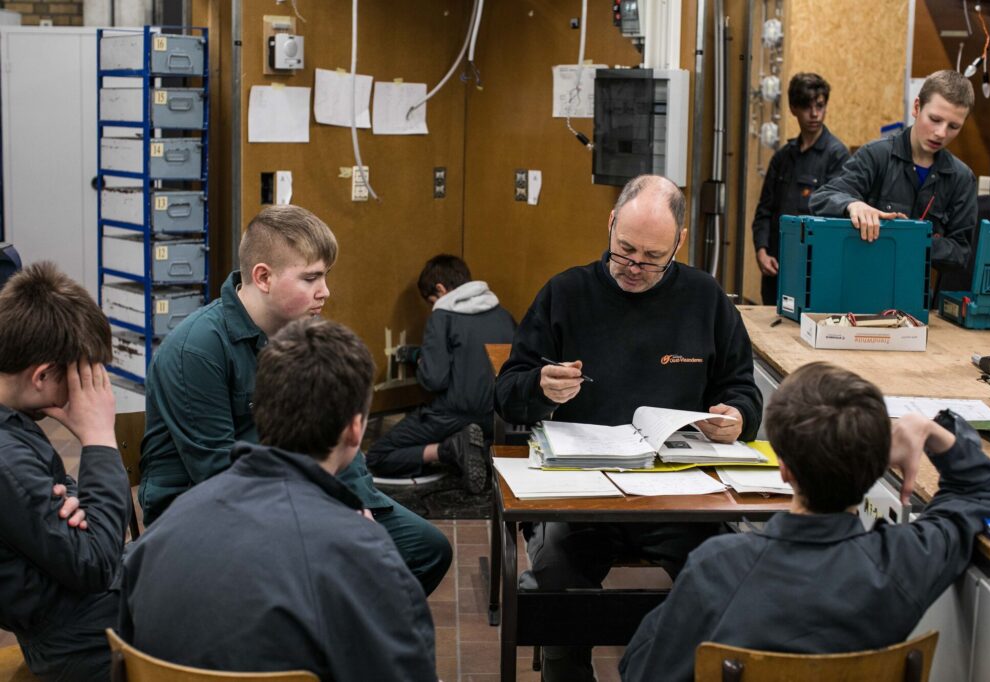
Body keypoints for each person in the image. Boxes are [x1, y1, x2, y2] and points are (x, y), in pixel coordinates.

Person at [494, 174, 762, 682]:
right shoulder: (566, 294)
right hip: (581, 494)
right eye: (624, 250)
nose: (633, 267)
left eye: (651, 257)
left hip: (677, 494)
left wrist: (738, 416)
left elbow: (741, 388)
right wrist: (539, 387)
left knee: (729, 574)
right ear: (610, 223)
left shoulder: (705, 298)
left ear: (679, 244)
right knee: (554, 577)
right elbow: (506, 392)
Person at [619, 362, 990, 682]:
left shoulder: (718, 565)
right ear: (875, 471)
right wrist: (932, 428)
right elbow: (978, 490)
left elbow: (641, 671)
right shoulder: (904, 560)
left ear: (783, 469)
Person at [139, 205, 452, 595]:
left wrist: (354, 502)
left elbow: (339, 434)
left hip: (297, 490)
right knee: (320, 569)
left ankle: (334, 641)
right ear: (263, 277)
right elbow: (216, 472)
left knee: (427, 551)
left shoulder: (304, 335)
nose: (325, 291)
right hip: (206, 507)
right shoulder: (197, 349)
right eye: (311, 278)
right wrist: (320, 514)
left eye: (325, 275)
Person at [120, 318, 437, 680]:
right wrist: (365, 548)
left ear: (263, 412)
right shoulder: (365, 554)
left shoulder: (157, 537)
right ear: (354, 429)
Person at [0, 262, 130, 682]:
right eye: (79, 380)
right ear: (41, 376)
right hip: (80, 643)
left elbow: (87, 529)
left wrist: (83, 513)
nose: (87, 393)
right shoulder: (7, 460)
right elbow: (94, 561)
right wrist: (99, 438)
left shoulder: (15, 426)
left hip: (83, 617)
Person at [810, 70, 977, 291]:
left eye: (953, 127)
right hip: (859, 290)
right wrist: (853, 205)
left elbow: (961, 253)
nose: (941, 133)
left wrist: (912, 238)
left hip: (918, 298)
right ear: (917, 108)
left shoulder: (962, 179)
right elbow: (821, 199)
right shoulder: (876, 156)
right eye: (935, 119)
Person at [366, 254, 516, 492]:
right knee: (479, 435)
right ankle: (484, 448)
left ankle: (450, 449)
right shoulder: (503, 315)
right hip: (496, 419)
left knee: (378, 456)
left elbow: (434, 379)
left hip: (451, 415)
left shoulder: (442, 316)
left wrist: (419, 360)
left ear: (440, 289)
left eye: (431, 301)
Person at [751, 72, 849, 304]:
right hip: (777, 268)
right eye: (806, 107)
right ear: (793, 108)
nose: (814, 114)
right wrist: (761, 251)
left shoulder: (837, 156)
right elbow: (764, 212)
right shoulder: (782, 158)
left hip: (814, 271)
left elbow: (838, 220)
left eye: (820, 106)